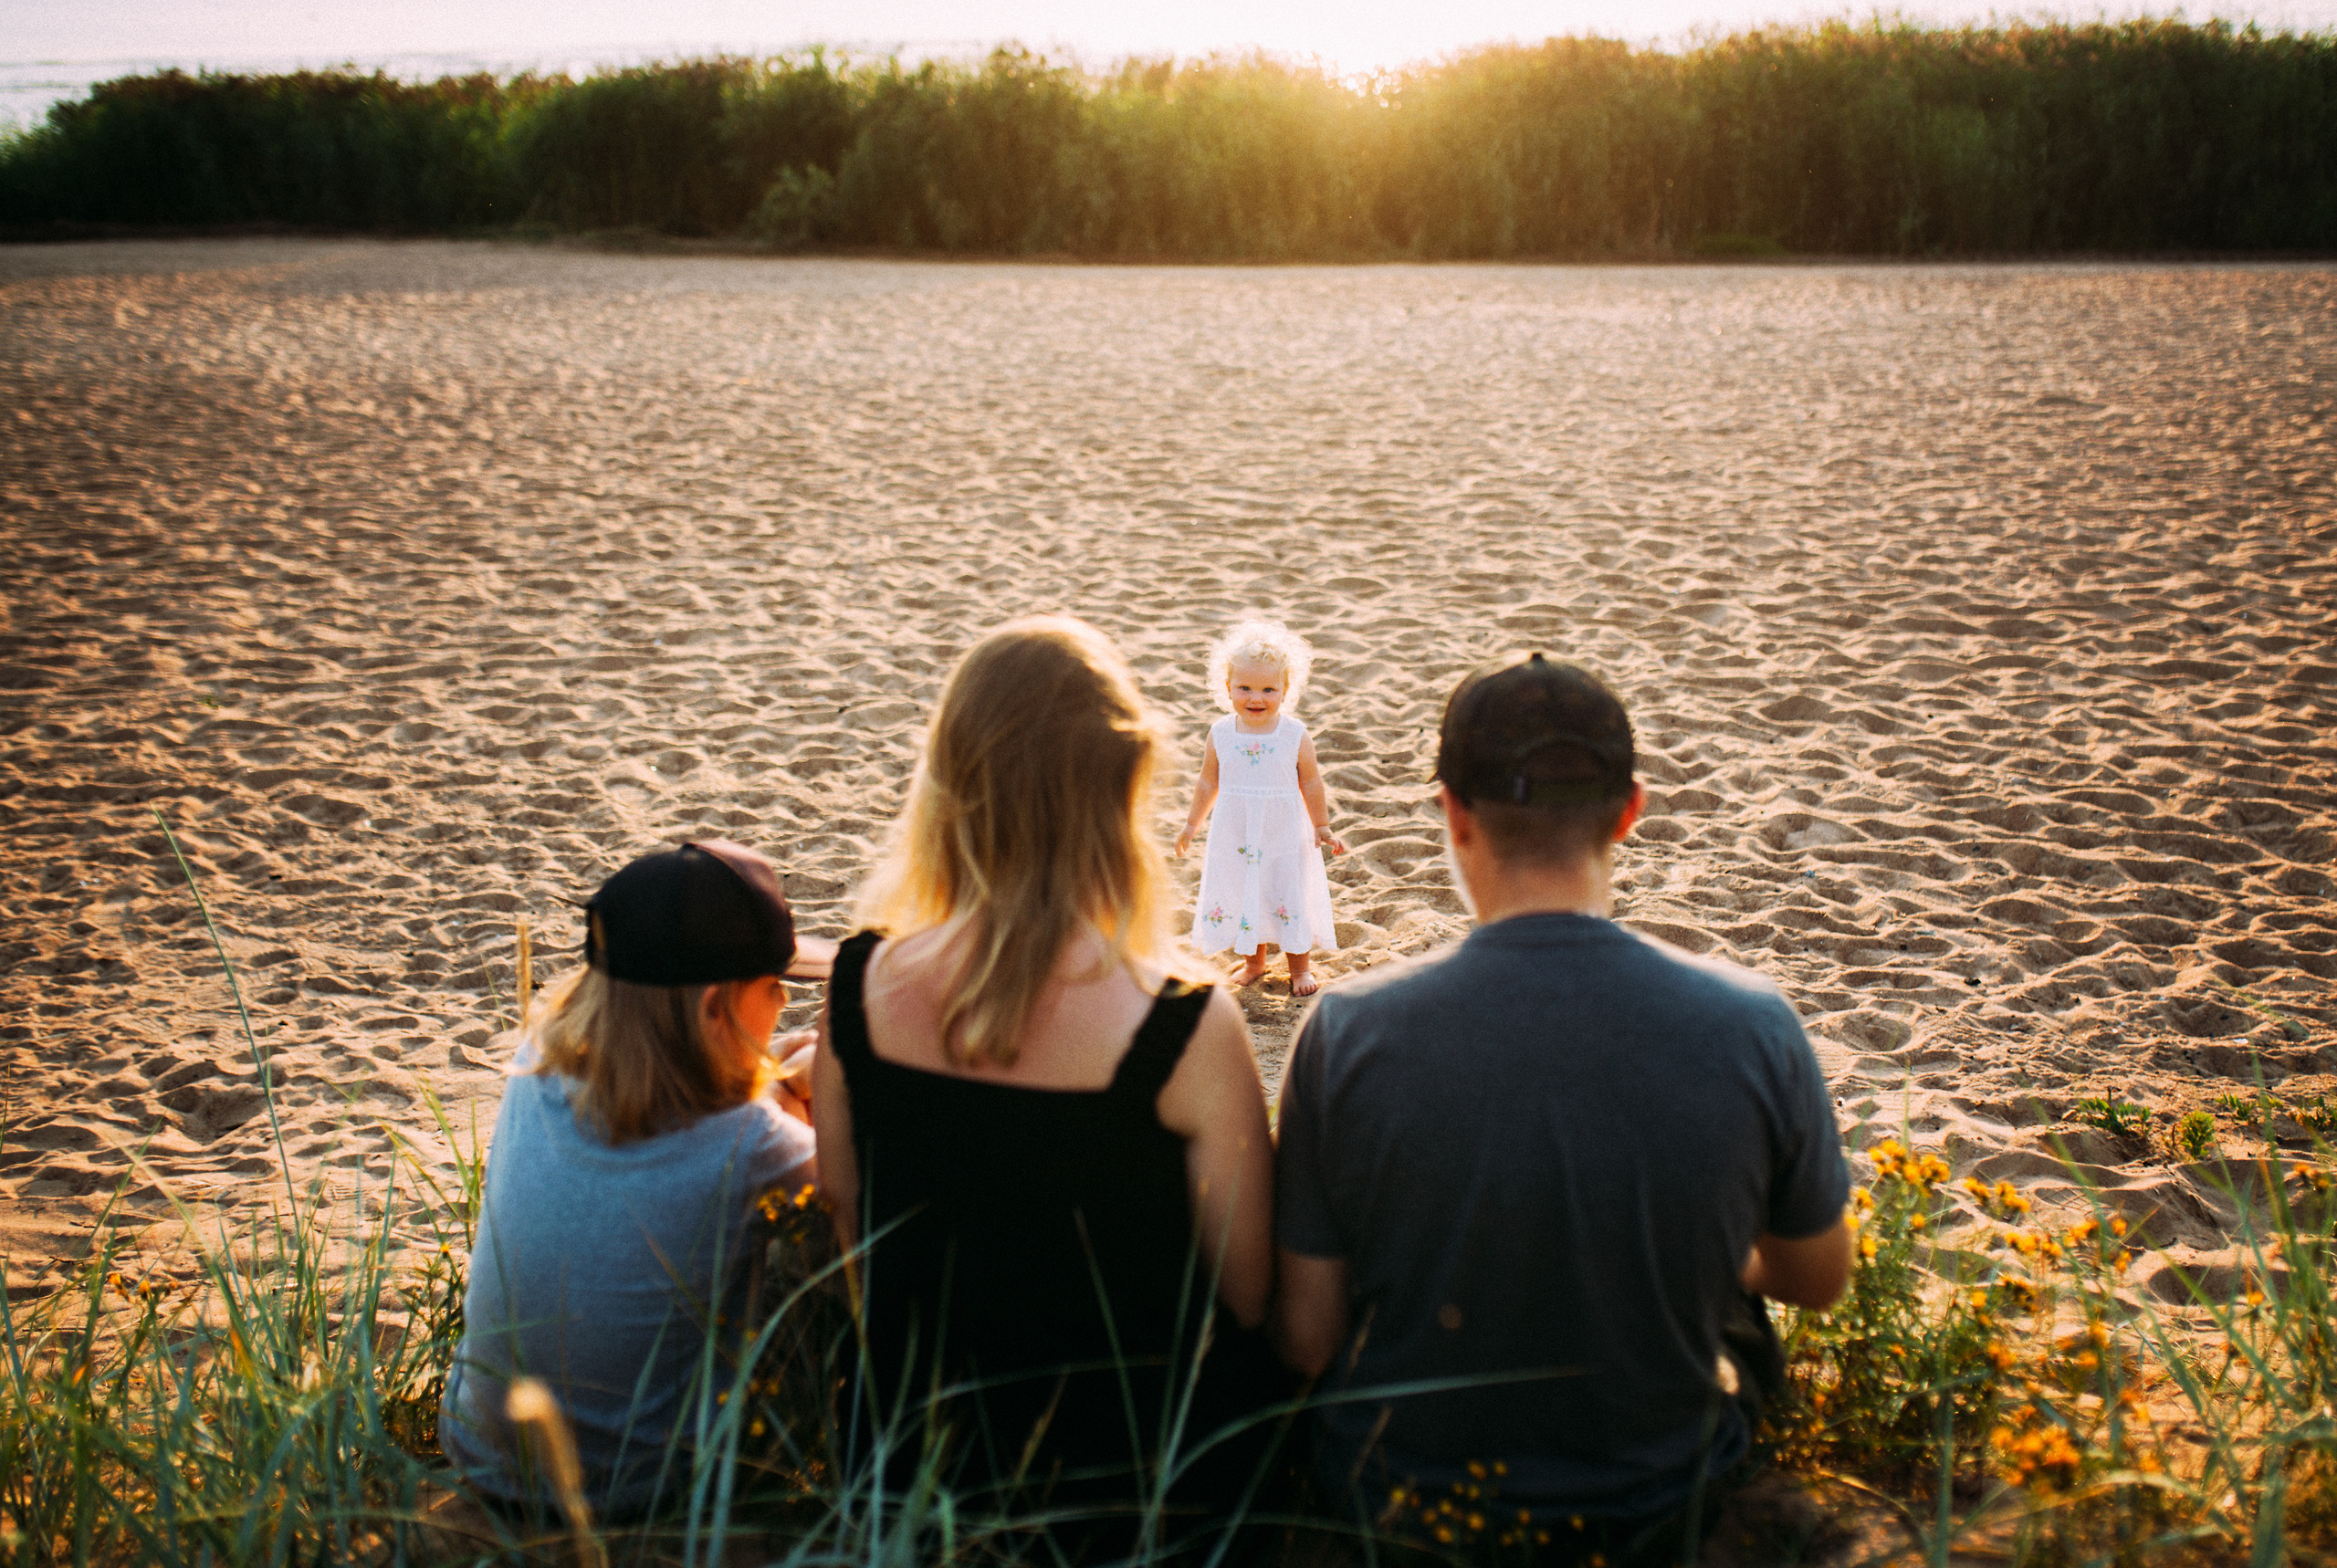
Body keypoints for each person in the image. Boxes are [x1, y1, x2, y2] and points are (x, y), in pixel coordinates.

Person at [1273, 653, 1853, 1562]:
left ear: (1450, 815)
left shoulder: (1348, 1030)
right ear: (1629, 811)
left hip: (1405, 1509)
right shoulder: (1749, 1022)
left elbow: (1306, 1338)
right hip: (1666, 1501)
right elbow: (1816, 1277)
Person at [813, 615, 1288, 1552]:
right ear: (1121, 787)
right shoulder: (1181, 1023)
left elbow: (846, 1213)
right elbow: (1247, 1295)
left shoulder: (860, 983)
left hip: (917, 1475)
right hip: (1130, 1500)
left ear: (949, 782)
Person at [440, 840, 834, 1520]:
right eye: (775, 989)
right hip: (638, 1492)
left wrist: (776, 1079)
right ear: (715, 1010)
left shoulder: (540, 1058)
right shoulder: (752, 1149)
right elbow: (854, 1188)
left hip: (480, 1454)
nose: (780, 1005)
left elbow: (686, 1120)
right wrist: (816, 1089)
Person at [1175, 617, 1348, 997]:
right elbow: (1209, 781)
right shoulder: (1221, 733)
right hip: (1237, 831)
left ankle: (1299, 968)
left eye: (1269, 689)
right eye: (1245, 688)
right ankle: (1255, 962)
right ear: (1228, 688)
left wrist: (1322, 826)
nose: (1256, 698)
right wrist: (1191, 824)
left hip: (1283, 830)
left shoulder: (1293, 734)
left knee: (1288, 891)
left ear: (1286, 690)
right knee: (1245, 890)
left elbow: (1311, 781)